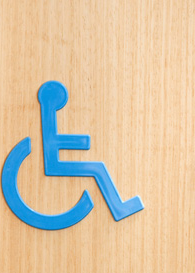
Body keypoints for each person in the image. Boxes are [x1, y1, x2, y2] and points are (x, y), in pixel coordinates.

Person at [38, 81, 144, 221]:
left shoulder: (48, 114)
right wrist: (81, 142)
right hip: (54, 163)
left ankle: (119, 207)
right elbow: (58, 142)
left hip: (55, 161)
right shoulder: (48, 115)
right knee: (97, 168)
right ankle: (119, 208)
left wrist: (81, 142)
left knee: (97, 168)